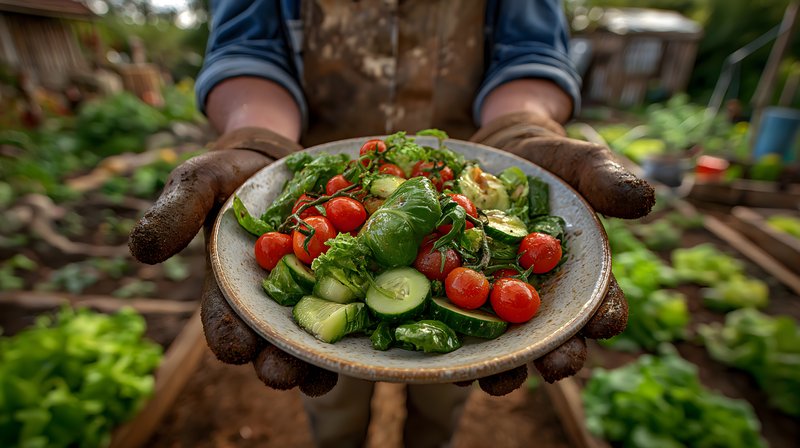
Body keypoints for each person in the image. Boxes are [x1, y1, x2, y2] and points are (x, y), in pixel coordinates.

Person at [129, 1, 655, 447]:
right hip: (324, 157)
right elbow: (247, 49)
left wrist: (521, 124)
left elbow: (531, 51)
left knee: (443, 395)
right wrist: (257, 139)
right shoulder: (333, 215)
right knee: (329, 402)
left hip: (468, 154)